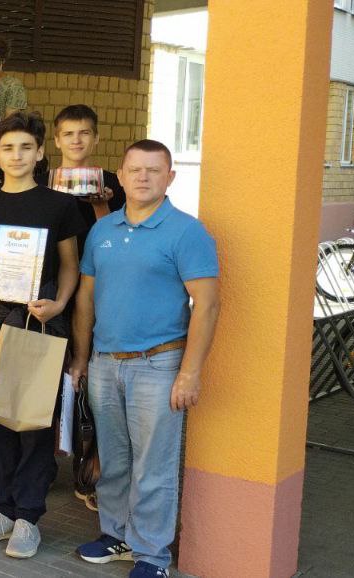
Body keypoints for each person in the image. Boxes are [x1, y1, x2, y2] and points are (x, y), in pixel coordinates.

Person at [70, 139, 220, 578]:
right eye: (135, 169)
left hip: (158, 365)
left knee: (153, 466)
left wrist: (190, 372)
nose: (143, 177)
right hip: (104, 363)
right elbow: (86, 298)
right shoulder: (102, 230)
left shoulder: (187, 232)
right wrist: (82, 358)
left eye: (154, 170)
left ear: (169, 177)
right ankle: (116, 535)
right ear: (120, 176)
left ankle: (152, 556)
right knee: (114, 460)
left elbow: (207, 305)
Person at [0, 113, 84, 559]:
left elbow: (70, 265)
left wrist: (60, 304)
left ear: (39, 152)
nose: (17, 156)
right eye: (8, 148)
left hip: (37, 321)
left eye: (26, 147)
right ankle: (3, 510)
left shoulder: (59, 206)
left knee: (32, 418)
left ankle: (28, 517)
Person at [51, 104, 126, 253]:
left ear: (96, 138)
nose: (76, 140)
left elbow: (120, 242)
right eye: (68, 134)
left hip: (99, 263)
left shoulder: (117, 185)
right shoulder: (40, 184)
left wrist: (102, 206)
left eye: (84, 133)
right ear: (57, 140)